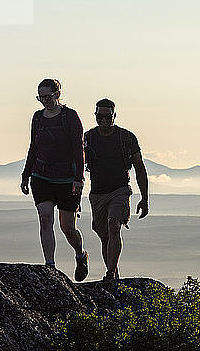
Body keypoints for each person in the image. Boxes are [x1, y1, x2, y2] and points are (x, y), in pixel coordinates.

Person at [20, 78, 89, 282]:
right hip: (41, 176)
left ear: (58, 94)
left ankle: (80, 254)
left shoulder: (70, 117)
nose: (45, 101)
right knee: (45, 218)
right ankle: (50, 266)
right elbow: (34, 146)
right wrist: (26, 175)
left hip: (67, 179)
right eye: (40, 98)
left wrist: (78, 178)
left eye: (48, 96)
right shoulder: (38, 118)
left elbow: (78, 149)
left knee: (67, 227)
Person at [84, 98, 149, 281]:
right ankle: (113, 271)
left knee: (114, 226)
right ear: (95, 116)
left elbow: (139, 167)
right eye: (100, 117)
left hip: (120, 190)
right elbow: (77, 166)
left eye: (107, 117)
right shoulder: (88, 138)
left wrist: (144, 198)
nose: (104, 120)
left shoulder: (126, 138)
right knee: (104, 236)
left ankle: (110, 273)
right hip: (97, 194)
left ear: (114, 116)